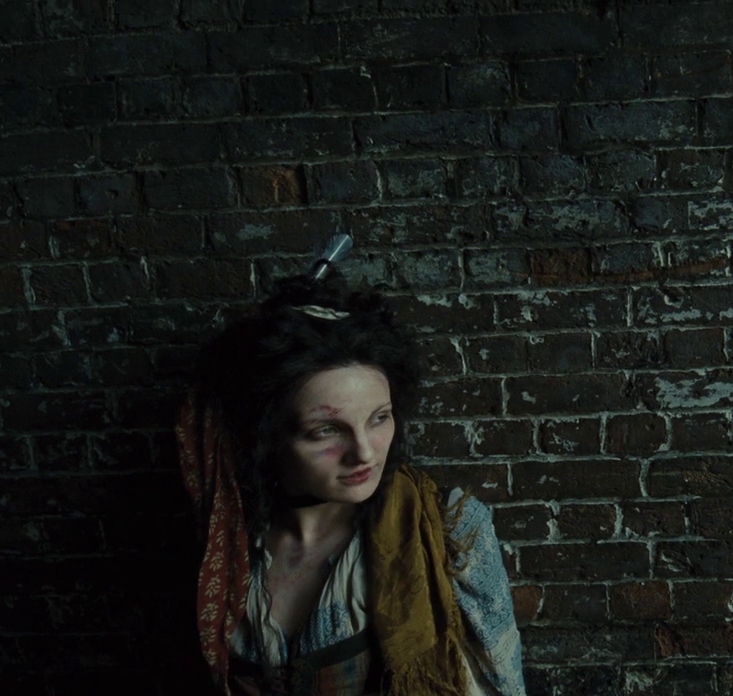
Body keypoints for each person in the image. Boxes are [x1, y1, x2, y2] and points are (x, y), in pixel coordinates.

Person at [176, 260, 525, 695]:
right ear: (267, 436)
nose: (364, 452)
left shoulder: (448, 530)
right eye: (327, 430)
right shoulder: (225, 541)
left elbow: (501, 684)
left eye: (379, 418)